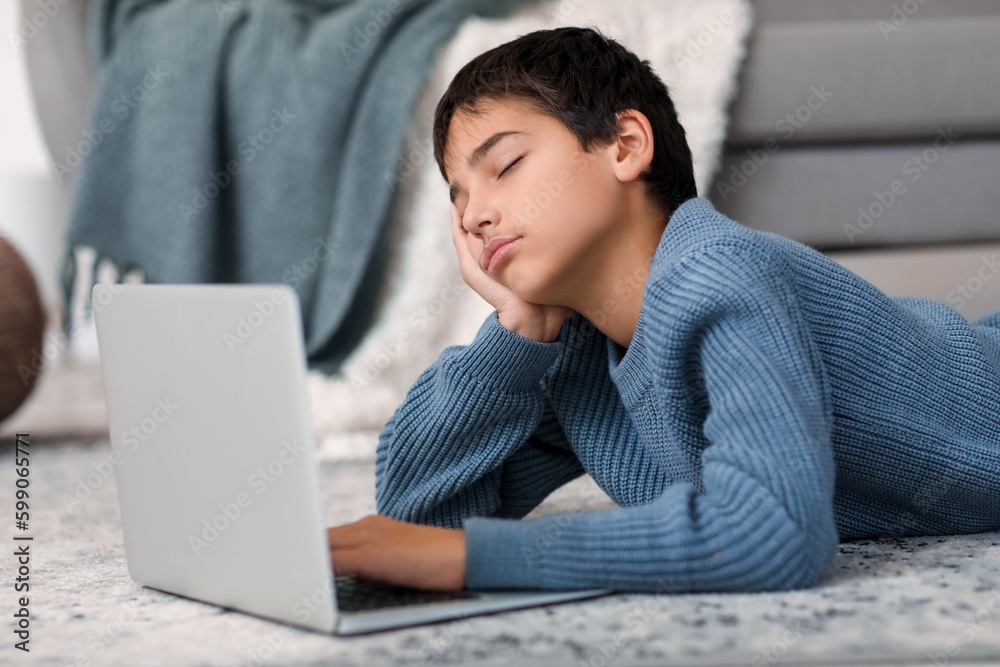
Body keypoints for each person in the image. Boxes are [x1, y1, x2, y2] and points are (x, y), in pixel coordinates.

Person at [326, 26, 1000, 593]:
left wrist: (476, 558)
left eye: (503, 166)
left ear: (626, 145)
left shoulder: (715, 272)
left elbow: (778, 532)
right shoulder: (575, 350)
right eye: (457, 194)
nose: (474, 214)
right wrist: (513, 337)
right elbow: (419, 520)